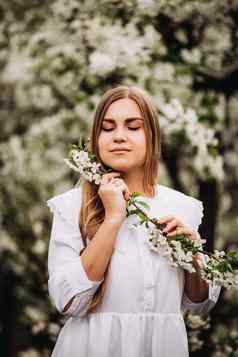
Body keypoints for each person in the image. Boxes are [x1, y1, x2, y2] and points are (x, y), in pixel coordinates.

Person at [46, 85, 221, 357]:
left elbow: (198, 306)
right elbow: (68, 302)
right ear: (96, 137)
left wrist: (193, 258)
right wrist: (113, 219)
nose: (119, 136)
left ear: (151, 136)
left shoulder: (182, 207)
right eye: (107, 127)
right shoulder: (72, 206)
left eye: (133, 126)